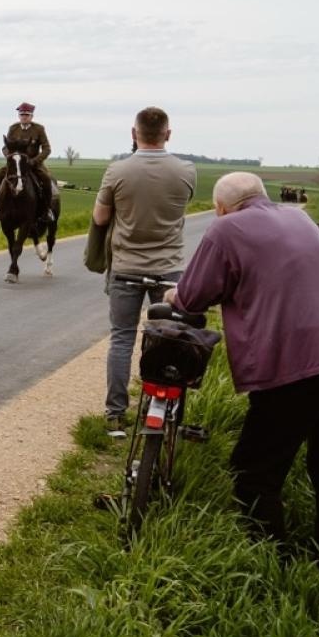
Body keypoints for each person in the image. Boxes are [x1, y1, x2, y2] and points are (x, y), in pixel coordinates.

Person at [167, 173, 319, 550]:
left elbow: (194, 296)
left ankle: (269, 556)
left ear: (220, 208)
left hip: (293, 362)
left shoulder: (225, 229)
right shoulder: (299, 218)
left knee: (255, 468)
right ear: (264, 196)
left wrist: (172, 295)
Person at [91, 106, 196, 436]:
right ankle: (161, 410)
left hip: (126, 268)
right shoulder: (186, 170)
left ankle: (115, 415)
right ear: (168, 133)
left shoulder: (117, 170)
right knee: (166, 340)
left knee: (122, 338)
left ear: (134, 134)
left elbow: (100, 218)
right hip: (169, 270)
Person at [0, 102, 56, 225]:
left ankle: (47, 210)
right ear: (19, 116)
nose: (24, 117)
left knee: (46, 179)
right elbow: (6, 147)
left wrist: (34, 161)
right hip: (15, 164)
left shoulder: (39, 129)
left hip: (33, 164)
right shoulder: (13, 128)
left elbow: (47, 149)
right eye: (22, 114)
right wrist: (10, 157)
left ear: (31, 116)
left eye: (27, 114)